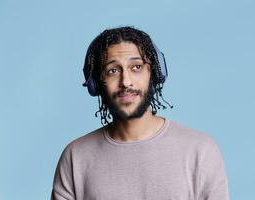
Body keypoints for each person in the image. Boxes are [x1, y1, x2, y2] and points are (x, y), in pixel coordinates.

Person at [51, 26, 229, 200]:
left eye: (136, 67)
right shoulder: (76, 157)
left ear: (154, 74)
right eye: (113, 70)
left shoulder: (200, 151)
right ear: (96, 83)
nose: (126, 81)